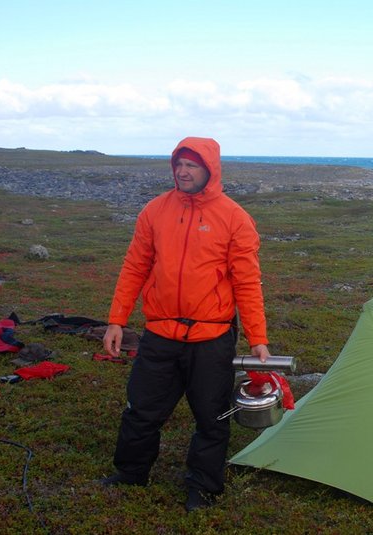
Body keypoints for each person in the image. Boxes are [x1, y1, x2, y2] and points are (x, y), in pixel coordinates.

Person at [100, 136, 270, 512]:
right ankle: (131, 473)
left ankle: (203, 487)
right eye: (179, 164)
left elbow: (247, 282)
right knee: (141, 410)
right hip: (160, 333)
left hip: (212, 337)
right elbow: (135, 267)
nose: (182, 171)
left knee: (212, 418)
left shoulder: (234, 218)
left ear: (210, 169)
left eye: (192, 165)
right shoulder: (154, 211)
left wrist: (258, 339)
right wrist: (116, 320)